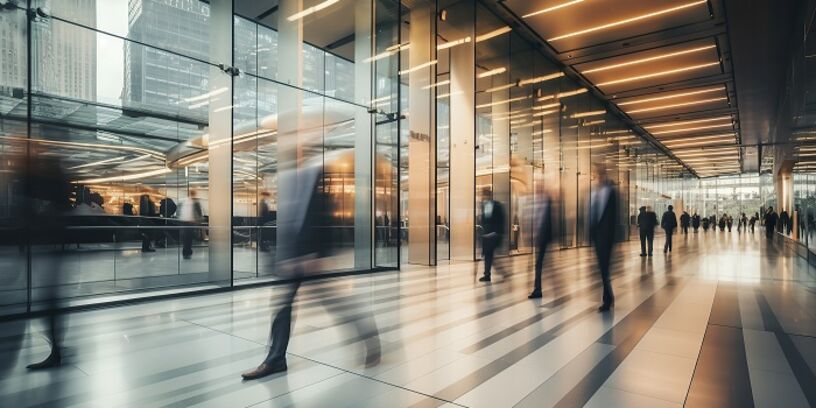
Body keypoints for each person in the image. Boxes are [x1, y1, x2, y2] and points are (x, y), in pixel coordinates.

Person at [241, 152, 380, 380]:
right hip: (291, 257)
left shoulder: (318, 178)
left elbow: (328, 219)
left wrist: (318, 254)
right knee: (282, 307)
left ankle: (369, 337)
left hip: (310, 258)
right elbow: (288, 223)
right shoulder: (290, 184)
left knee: (335, 302)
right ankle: (275, 359)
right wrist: (282, 257)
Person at [590, 164, 617, 312]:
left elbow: (613, 217)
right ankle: (609, 297)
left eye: (599, 174)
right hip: (597, 236)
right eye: (596, 174)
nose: (597, 177)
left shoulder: (610, 192)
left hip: (606, 238)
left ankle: (607, 300)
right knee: (602, 269)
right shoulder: (594, 192)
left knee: (604, 268)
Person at [529, 188, 554, 299]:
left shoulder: (547, 203)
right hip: (539, 239)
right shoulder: (539, 204)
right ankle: (537, 289)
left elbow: (549, 223)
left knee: (541, 265)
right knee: (540, 265)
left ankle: (538, 290)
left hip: (544, 240)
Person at [478, 187, 506, 282]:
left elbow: (502, 220)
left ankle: (500, 272)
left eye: (485, 194)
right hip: (486, 235)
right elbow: (484, 221)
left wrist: (500, 234)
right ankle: (487, 275)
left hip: (494, 234)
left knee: (489, 255)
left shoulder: (497, 205)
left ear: (489, 195)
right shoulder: (482, 206)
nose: (483, 196)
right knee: (488, 255)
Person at [179, 189, 203, 260]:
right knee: (189, 238)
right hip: (190, 222)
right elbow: (199, 212)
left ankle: (186, 251)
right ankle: (187, 251)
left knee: (186, 238)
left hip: (184, 221)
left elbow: (180, 212)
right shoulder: (195, 202)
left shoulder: (184, 201)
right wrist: (199, 220)